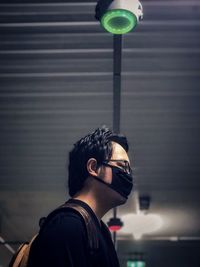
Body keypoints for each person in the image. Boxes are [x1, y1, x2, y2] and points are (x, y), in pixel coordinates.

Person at [28, 126, 133, 267]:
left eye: (129, 170)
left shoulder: (99, 230)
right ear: (93, 167)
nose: (128, 175)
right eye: (121, 166)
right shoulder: (67, 226)